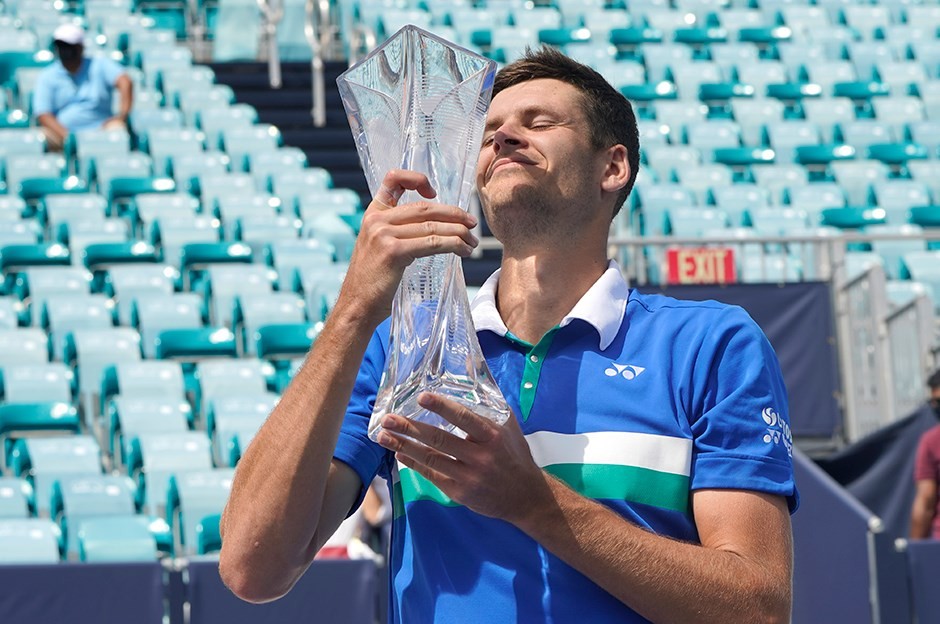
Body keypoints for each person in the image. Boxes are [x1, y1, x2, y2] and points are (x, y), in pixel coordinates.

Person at [219, 47, 798, 623]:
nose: (503, 136)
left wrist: (535, 504)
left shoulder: (710, 346)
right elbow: (252, 567)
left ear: (613, 168)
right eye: (489, 130)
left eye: (538, 122)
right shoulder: (402, 345)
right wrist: (352, 309)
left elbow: (758, 611)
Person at [32, 24, 133, 152]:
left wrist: (122, 116)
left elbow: (125, 81)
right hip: (62, 134)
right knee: (39, 137)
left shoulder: (99, 65)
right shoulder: (48, 75)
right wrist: (68, 138)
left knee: (117, 129)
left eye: (69, 46)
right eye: (61, 46)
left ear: (80, 47)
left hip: (101, 130)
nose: (65, 50)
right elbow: (43, 113)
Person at [910, 369, 940, 539]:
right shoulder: (931, 441)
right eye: (934, 402)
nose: (936, 407)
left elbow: (925, 502)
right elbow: (925, 501)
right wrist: (915, 549)